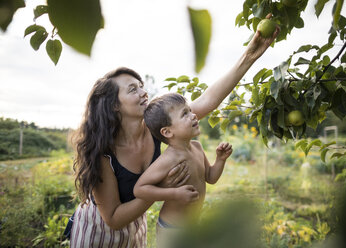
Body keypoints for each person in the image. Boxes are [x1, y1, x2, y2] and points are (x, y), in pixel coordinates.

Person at [69, 14, 279, 248]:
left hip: (136, 228)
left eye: (141, 86)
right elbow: (114, 218)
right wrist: (164, 189)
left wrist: (249, 56)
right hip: (97, 232)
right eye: (132, 90)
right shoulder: (103, 153)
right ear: (114, 105)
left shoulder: (157, 127)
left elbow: (210, 98)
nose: (143, 93)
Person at [133, 93, 233, 248]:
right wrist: (174, 194)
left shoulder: (197, 147)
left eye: (190, 111)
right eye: (185, 114)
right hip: (172, 229)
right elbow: (139, 189)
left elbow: (210, 177)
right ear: (167, 132)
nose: (194, 116)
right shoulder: (168, 160)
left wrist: (220, 160)